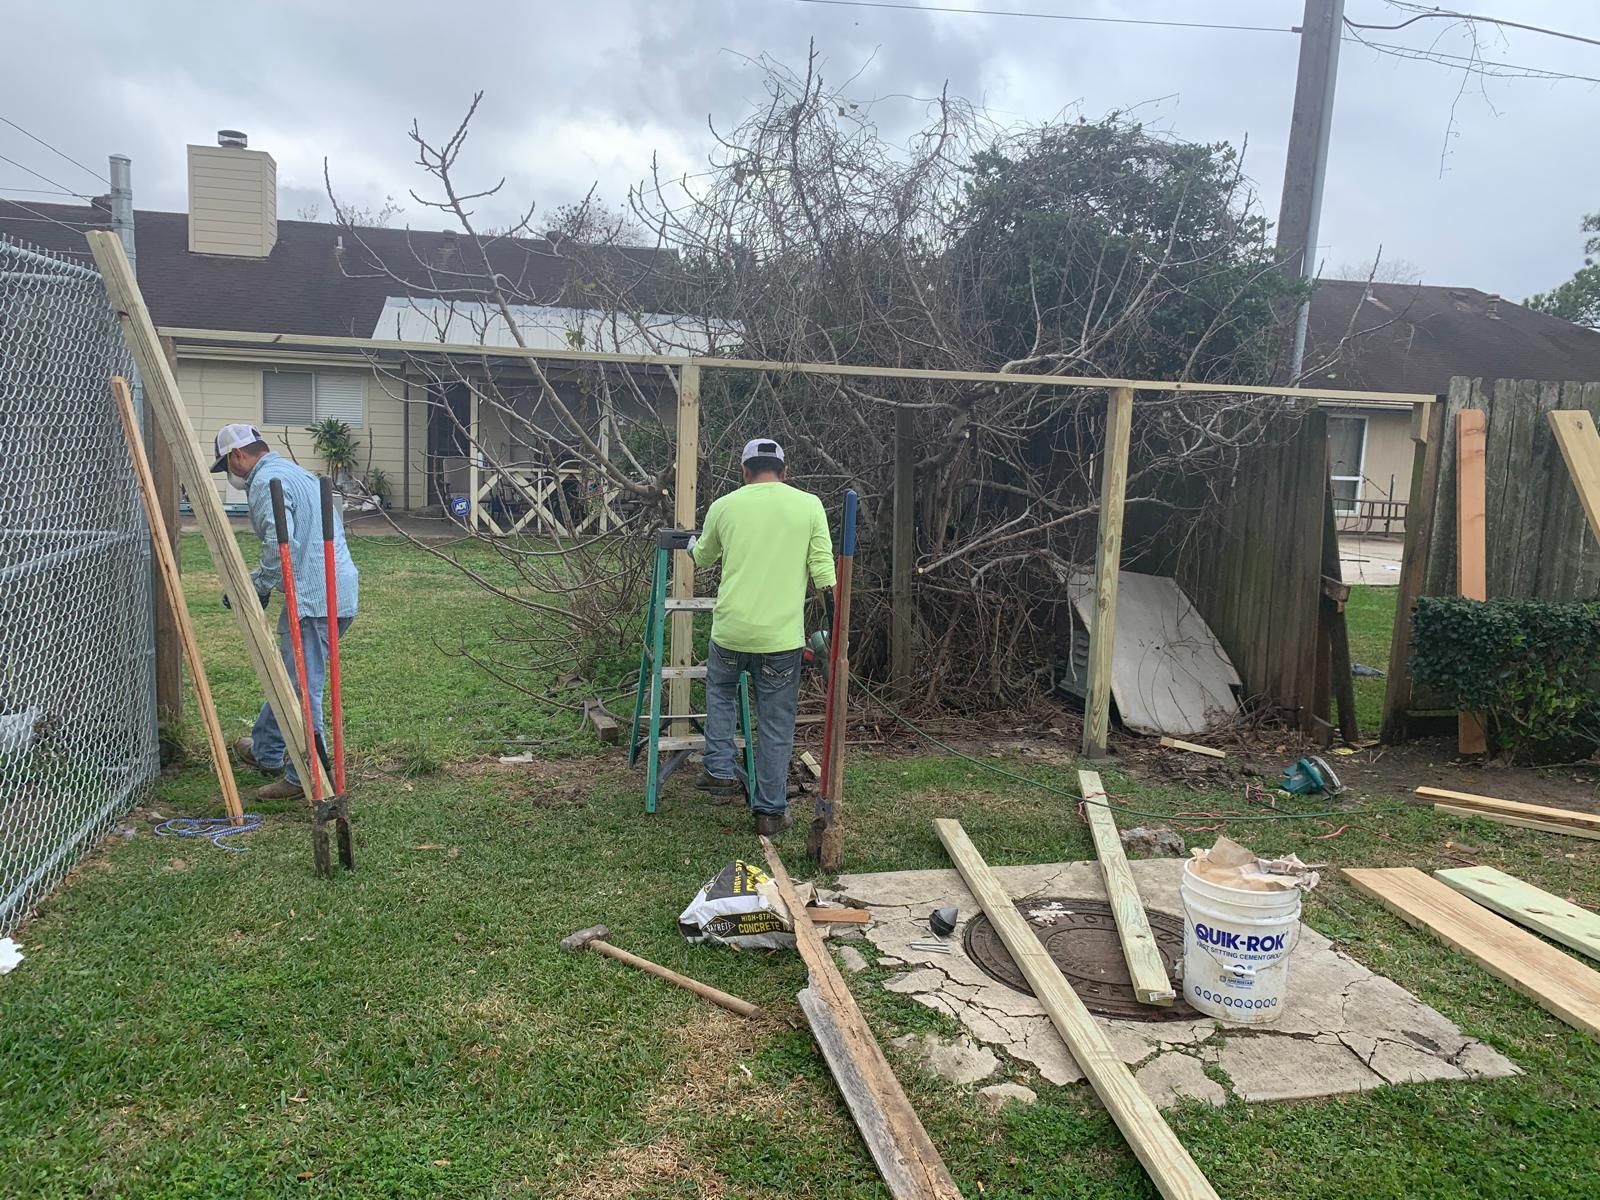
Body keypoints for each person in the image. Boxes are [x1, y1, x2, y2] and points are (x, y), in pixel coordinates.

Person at [691, 438, 835, 835]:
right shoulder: (808, 506)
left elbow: (702, 555)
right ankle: (770, 813)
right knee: (774, 724)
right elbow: (825, 574)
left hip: (731, 631)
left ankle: (719, 769)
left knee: (720, 691)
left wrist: (690, 544)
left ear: (745, 471)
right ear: (784, 472)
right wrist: (835, 633)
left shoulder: (725, 505)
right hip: (780, 640)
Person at [210, 423, 359, 801]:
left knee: (301, 688)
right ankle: (266, 749)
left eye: (228, 467)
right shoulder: (296, 472)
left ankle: (302, 776)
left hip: (313, 598)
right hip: (336, 588)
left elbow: (281, 548)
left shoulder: (265, 482)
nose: (231, 475)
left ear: (237, 456)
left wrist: (256, 585)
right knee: (292, 677)